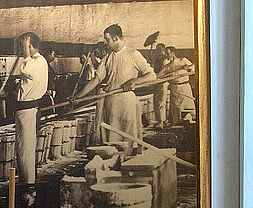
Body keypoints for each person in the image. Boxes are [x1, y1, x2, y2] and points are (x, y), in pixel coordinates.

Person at [72, 24, 155, 154]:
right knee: (112, 142)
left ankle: (130, 165)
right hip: (111, 105)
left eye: (107, 39)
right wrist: (78, 96)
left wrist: (135, 80)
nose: (105, 42)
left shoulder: (133, 54)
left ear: (116, 38)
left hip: (127, 103)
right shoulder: (108, 57)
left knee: (128, 139)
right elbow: (96, 80)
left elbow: (151, 75)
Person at [15, 32, 48, 205]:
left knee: (26, 148)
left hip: (28, 109)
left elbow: (26, 70)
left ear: (30, 45)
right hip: (25, 110)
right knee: (23, 148)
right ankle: (26, 185)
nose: (21, 50)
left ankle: (29, 190)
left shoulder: (38, 61)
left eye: (23, 45)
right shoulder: (36, 62)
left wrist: (26, 54)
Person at [159, 46, 195, 125]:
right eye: (166, 54)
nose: (166, 55)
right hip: (174, 89)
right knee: (176, 110)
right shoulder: (167, 67)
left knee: (187, 109)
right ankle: (177, 125)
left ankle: (188, 122)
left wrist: (188, 68)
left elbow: (194, 68)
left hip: (184, 87)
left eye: (168, 53)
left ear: (173, 53)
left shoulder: (183, 60)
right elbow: (158, 76)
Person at [152, 42, 169, 129]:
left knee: (161, 102)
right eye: (156, 49)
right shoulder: (158, 59)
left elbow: (163, 72)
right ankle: (160, 120)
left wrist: (153, 76)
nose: (157, 51)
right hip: (157, 82)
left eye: (159, 49)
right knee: (156, 101)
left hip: (163, 82)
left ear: (163, 50)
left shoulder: (165, 60)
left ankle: (162, 121)